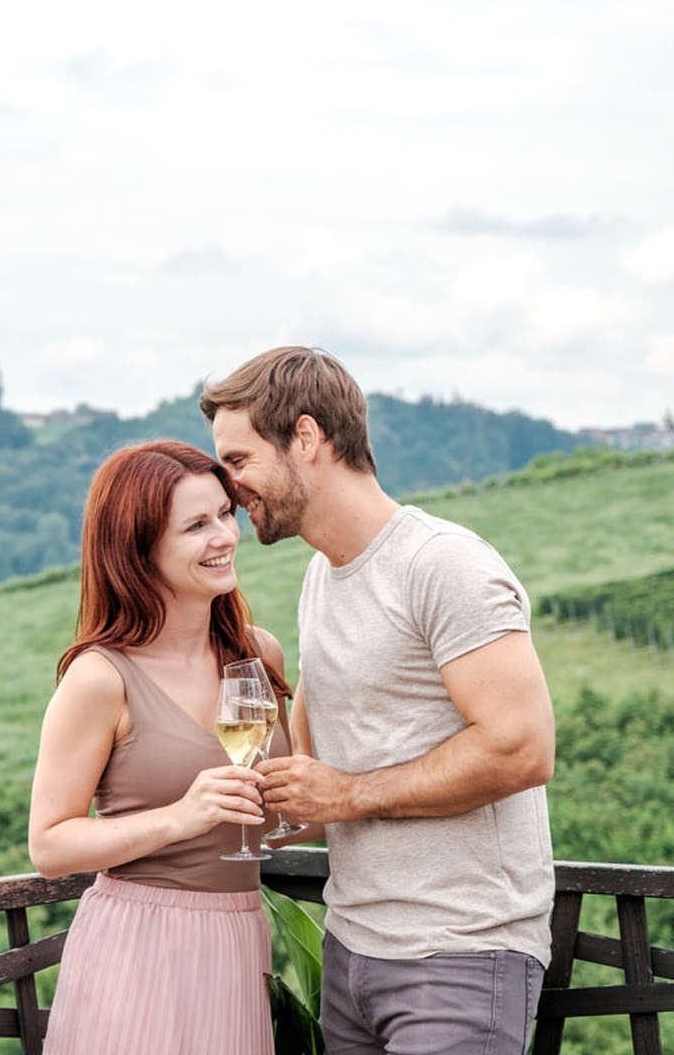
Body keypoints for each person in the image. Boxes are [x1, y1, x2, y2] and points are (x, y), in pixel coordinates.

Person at [201, 346, 556, 1055]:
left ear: (305, 438)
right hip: (353, 952)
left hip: (461, 953)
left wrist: (348, 795)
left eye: (238, 461)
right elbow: (309, 775)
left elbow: (523, 748)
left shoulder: (442, 563)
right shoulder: (320, 579)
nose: (230, 485)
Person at [28, 440, 294, 1054]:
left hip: (238, 943)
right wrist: (180, 817)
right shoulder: (100, 678)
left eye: (225, 513)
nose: (225, 535)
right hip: (137, 948)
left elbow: (285, 815)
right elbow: (50, 844)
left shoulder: (259, 655)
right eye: (197, 525)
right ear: (138, 550)